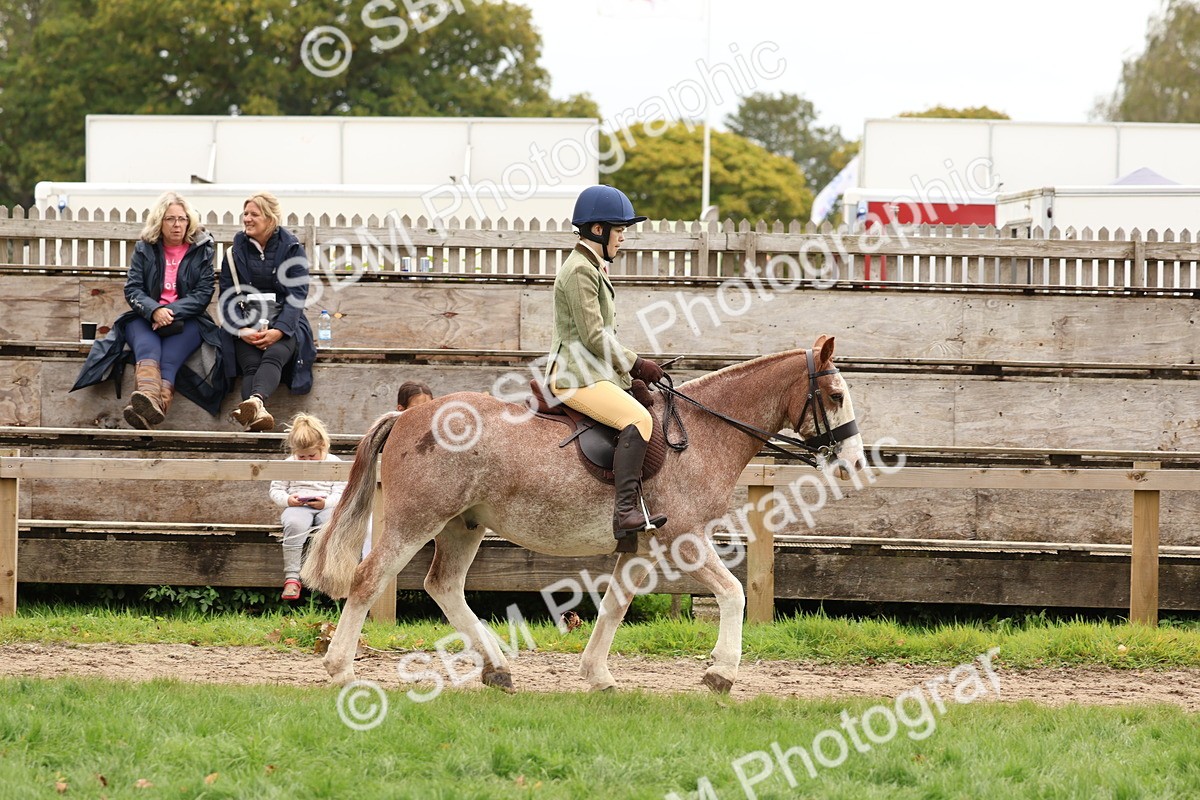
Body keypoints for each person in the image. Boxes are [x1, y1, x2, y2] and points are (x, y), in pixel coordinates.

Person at [545, 185, 667, 552]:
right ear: (598, 230)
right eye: (621, 229)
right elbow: (595, 336)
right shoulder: (579, 271)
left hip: (593, 373)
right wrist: (637, 364)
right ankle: (624, 513)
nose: (624, 238)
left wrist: (629, 379)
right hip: (574, 376)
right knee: (639, 421)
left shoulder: (592, 268)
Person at [71, 191, 227, 426]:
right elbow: (133, 288)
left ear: (189, 221)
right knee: (147, 350)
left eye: (182, 219)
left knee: (170, 359)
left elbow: (203, 293)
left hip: (189, 319)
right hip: (144, 316)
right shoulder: (145, 248)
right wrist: (154, 310)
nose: (177, 225)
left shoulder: (202, 248)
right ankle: (151, 403)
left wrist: (169, 311)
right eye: (170, 219)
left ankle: (147, 407)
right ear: (160, 221)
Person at [219, 192, 317, 432]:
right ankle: (257, 409)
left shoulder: (292, 248)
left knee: (273, 354)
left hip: (285, 322)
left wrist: (279, 330)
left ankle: (254, 405)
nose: (247, 219)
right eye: (246, 213)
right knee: (251, 364)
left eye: (254, 214)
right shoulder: (234, 252)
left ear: (271, 219)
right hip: (245, 322)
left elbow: (297, 294)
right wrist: (241, 330)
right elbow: (227, 295)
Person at [270, 413, 345, 600]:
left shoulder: (334, 463)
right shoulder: (289, 464)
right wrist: (288, 500)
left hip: (326, 505)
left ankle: (328, 574)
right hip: (298, 507)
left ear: (322, 446)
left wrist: (326, 503)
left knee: (330, 526)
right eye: (302, 456)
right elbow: (276, 489)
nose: (307, 461)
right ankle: (292, 578)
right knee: (294, 525)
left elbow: (342, 491)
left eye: (312, 456)